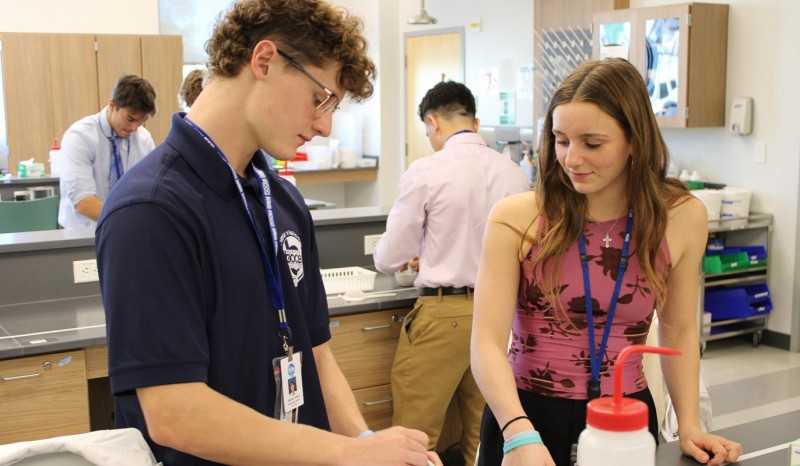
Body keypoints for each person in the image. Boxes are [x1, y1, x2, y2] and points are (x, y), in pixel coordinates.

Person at [95, 1, 441, 465]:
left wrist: (364, 445)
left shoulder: (282, 201)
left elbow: (317, 355)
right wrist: (348, 453)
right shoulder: (152, 210)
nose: (324, 125)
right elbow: (174, 413)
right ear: (264, 61)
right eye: (321, 99)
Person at [470, 58, 743, 466]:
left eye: (592, 144)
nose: (572, 159)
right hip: (527, 415)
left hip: (627, 418)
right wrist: (517, 431)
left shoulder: (680, 218)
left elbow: (680, 330)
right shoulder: (517, 218)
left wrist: (689, 426)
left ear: (635, 139)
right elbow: (487, 342)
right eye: (561, 140)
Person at [373, 80, 529, 466]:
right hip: (501, 320)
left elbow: (391, 255)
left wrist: (416, 254)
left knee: (414, 437)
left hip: (443, 319)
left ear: (433, 122)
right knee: (485, 434)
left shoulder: (427, 170)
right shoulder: (514, 173)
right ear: (474, 121)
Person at [58, 74, 156, 228]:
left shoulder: (143, 139)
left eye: (141, 121)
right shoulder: (79, 137)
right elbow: (83, 202)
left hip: (126, 231)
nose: (134, 128)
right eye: (130, 119)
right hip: (82, 236)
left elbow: (151, 191)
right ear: (112, 105)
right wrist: (126, 223)